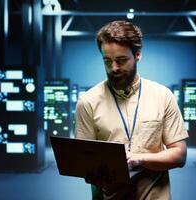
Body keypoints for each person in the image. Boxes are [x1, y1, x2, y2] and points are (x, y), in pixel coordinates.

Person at [75, 20, 188, 200]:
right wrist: (93, 173)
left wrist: (139, 159)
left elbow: (179, 155)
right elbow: (84, 161)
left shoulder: (163, 96)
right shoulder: (87, 102)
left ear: (137, 55)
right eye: (107, 61)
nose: (114, 68)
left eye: (121, 60)